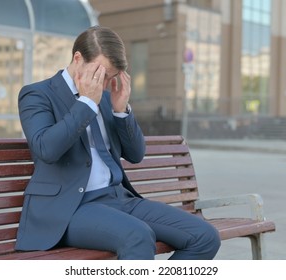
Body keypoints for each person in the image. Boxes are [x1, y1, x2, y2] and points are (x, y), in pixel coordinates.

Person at [15, 26, 220, 260]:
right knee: (138, 236)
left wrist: (121, 110)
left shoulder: (105, 98)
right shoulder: (38, 94)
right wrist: (86, 104)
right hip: (69, 208)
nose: (104, 85)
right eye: (101, 74)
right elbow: (46, 149)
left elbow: (136, 154)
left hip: (118, 198)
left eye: (110, 77)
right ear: (78, 58)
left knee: (204, 237)